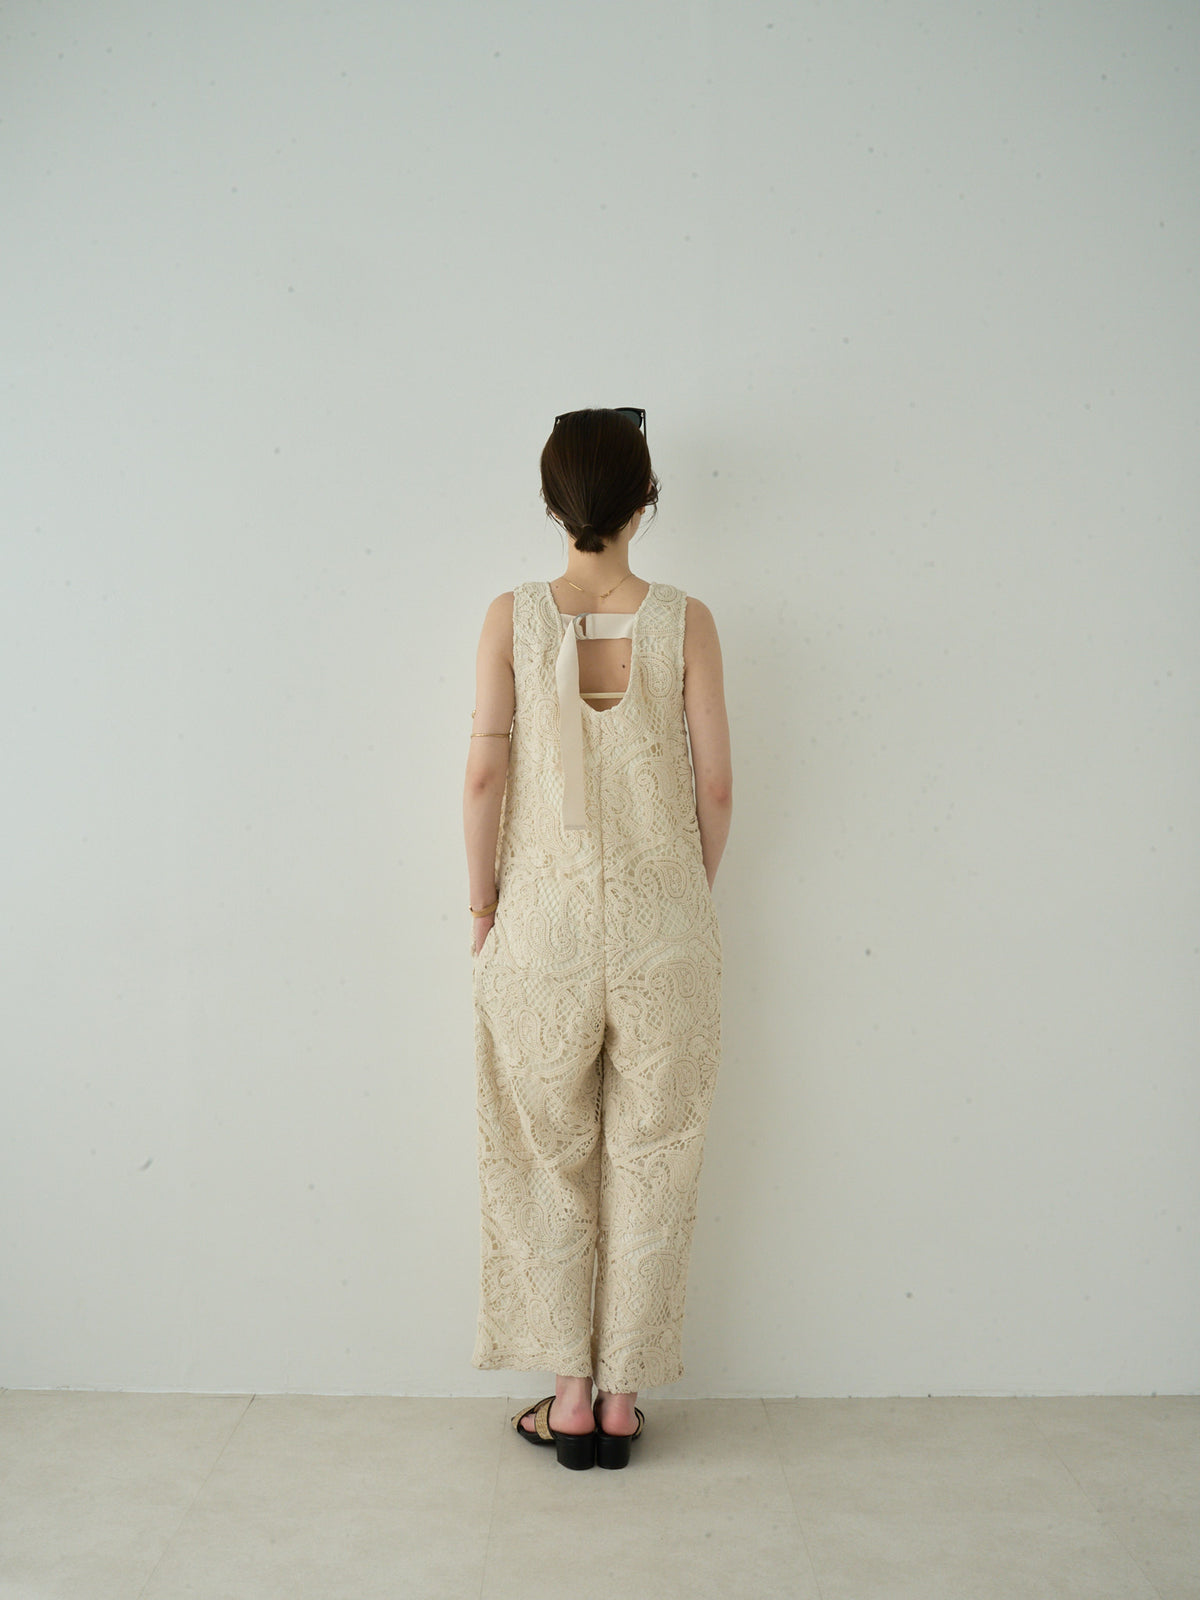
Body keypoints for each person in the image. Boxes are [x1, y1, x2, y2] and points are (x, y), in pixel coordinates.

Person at [462, 407, 732, 1470]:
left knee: (544, 1153)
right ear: (646, 498)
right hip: (667, 927)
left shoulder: (512, 618)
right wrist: (681, 900)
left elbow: (485, 773)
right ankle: (623, 1401)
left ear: (551, 502)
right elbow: (717, 787)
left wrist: (482, 909)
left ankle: (567, 1400)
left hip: (542, 925)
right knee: (656, 1155)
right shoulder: (686, 622)